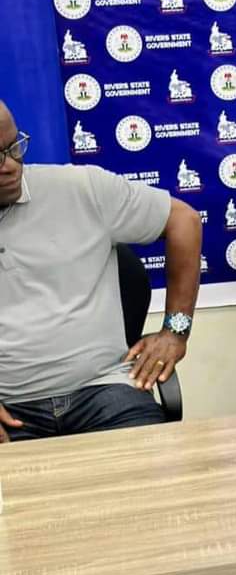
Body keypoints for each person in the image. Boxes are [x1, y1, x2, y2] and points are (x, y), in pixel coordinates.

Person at [0, 99, 202, 442]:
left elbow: (184, 220)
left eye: (14, 147)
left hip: (105, 390)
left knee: (160, 468)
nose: (11, 166)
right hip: (10, 406)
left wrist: (175, 332)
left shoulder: (81, 188)